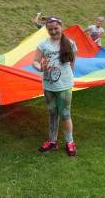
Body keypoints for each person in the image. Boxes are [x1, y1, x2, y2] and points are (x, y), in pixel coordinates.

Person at [32, 17, 77, 157]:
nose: (53, 31)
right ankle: (52, 142)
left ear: (61, 26)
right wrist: (40, 67)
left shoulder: (70, 43)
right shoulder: (42, 44)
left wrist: (68, 79)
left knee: (65, 114)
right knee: (52, 113)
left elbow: (72, 63)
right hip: (48, 86)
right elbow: (35, 61)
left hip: (64, 86)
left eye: (55, 28)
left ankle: (70, 142)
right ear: (47, 30)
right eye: (50, 29)